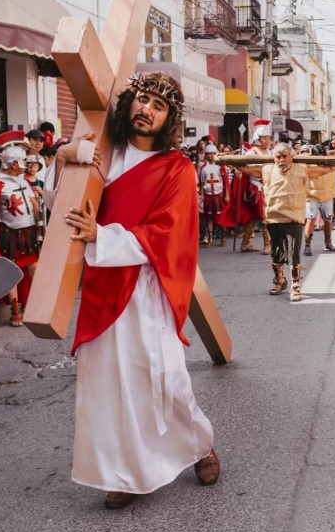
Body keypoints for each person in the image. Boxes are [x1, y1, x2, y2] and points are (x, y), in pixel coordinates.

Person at [44, 71, 219, 509]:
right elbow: (63, 206)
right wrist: (62, 160)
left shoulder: (178, 168)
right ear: (129, 103)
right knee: (108, 384)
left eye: (159, 106)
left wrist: (100, 236)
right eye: (142, 99)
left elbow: (169, 233)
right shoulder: (104, 152)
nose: (147, 109)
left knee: (164, 380)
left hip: (147, 287)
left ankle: (199, 445)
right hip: (104, 284)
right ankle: (123, 470)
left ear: (168, 119)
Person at [234, 142, 335, 302]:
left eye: (284, 156)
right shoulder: (266, 169)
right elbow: (246, 168)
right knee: (276, 252)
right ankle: (279, 280)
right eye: (278, 157)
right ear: (273, 157)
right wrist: (227, 160)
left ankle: (295, 285)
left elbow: (325, 169)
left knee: (293, 253)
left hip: (294, 217)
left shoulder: (302, 169)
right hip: (273, 217)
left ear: (292, 156)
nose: (281, 160)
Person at [0, 139, 39, 326]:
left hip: (29, 232)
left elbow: (33, 203)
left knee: (34, 267)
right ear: (14, 164)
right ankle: (15, 310)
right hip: (8, 234)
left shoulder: (22, 179)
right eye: (22, 161)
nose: (26, 165)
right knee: (11, 271)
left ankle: (36, 304)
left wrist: (40, 224)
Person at [238, 119, 273, 254]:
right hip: (256, 188)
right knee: (265, 215)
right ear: (257, 138)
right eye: (264, 138)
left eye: (268, 138)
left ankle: (245, 243)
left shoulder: (270, 152)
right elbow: (243, 167)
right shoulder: (252, 152)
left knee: (254, 217)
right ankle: (267, 244)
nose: (267, 141)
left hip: (268, 186)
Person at [300, 145, 335, 256]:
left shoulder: (331, 162)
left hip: (327, 195)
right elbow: (301, 156)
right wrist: (312, 156)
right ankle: (307, 245)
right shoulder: (308, 164)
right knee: (311, 219)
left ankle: (328, 242)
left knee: (328, 220)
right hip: (312, 195)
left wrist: (329, 153)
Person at [198, 143, 230, 247]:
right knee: (209, 217)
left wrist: (227, 195)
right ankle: (210, 239)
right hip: (208, 195)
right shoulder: (203, 167)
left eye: (212, 153)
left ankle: (223, 237)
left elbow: (225, 181)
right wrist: (201, 195)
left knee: (221, 216)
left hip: (219, 193)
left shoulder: (220, 166)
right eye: (208, 154)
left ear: (215, 154)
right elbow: (202, 183)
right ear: (206, 155)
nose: (210, 156)